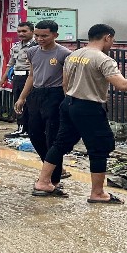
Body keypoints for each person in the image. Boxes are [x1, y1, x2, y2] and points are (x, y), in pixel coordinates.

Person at [42, 24, 127, 204]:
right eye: (112, 40)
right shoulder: (103, 59)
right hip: (89, 107)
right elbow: (123, 85)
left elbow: (65, 83)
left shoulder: (73, 55)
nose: (112, 43)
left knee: (60, 143)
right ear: (107, 37)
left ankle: (43, 182)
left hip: (68, 103)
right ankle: (98, 193)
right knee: (99, 148)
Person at [14, 20, 73, 196]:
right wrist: (22, 97)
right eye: (37, 35)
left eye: (44, 36)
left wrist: (68, 101)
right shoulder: (31, 52)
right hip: (36, 96)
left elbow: (66, 82)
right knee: (34, 134)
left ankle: (52, 180)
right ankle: (51, 169)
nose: (40, 39)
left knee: (53, 137)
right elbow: (32, 75)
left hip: (55, 96)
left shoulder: (64, 54)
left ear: (55, 35)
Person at [3, 22, 35, 137]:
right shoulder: (16, 46)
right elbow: (10, 64)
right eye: (19, 31)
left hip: (29, 77)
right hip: (17, 77)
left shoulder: (36, 46)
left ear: (32, 31)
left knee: (29, 102)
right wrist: (3, 79)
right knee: (17, 102)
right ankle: (20, 128)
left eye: (24, 31)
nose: (21, 34)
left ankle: (29, 129)